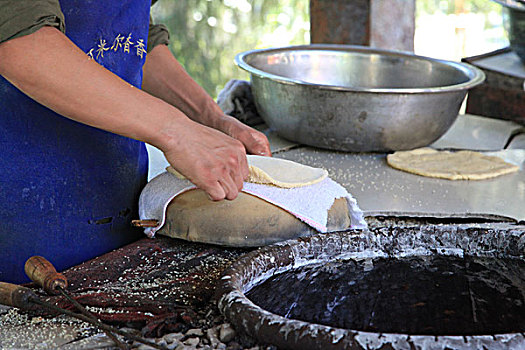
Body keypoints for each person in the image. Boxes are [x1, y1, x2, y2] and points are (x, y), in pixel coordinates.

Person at [0, 1, 271, 283]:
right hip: (21, 226)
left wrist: (209, 120)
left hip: (117, 217)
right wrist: (176, 131)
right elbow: (21, 42)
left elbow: (128, 37)